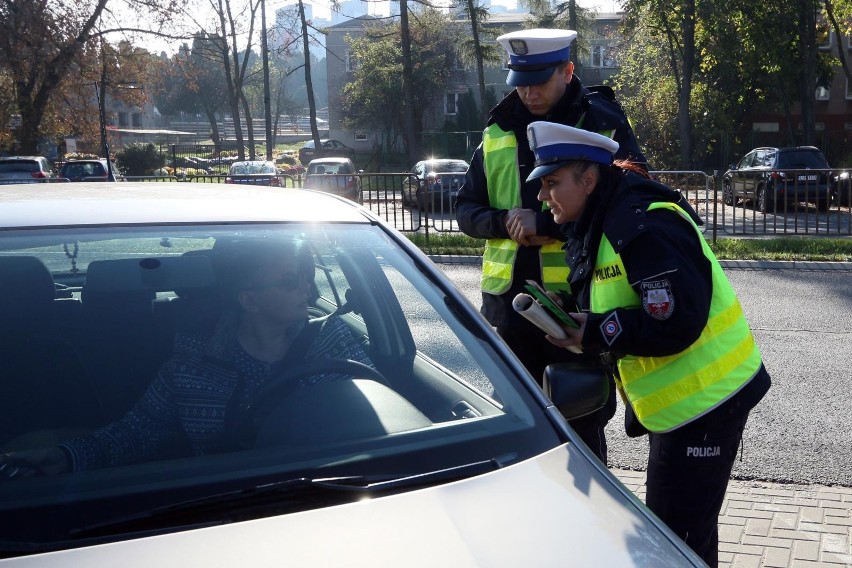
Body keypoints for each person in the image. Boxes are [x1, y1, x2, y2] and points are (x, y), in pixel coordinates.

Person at [524, 120, 772, 567]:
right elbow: (624, 301)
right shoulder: (605, 218)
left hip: (707, 404)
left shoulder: (642, 224)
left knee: (674, 546)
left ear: (589, 179)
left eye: (551, 182)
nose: (542, 196)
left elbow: (676, 321)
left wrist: (596, 332)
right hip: (685, 407)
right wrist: (587, 324)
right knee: (686, 540)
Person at [0, 238, 375, 477]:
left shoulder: (332, 340)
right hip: (209, 512)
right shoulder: (192, 363)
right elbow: (138, 430)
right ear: (249, 300)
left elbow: (374, 421)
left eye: (306, 276)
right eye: (290, 281)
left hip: (326, 497)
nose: (307, 287)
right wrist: (68, 457)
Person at [454, 28, 646, 462]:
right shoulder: (498, 127)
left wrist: (546, 223)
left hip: (578, 303)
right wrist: (504, 222)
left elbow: (632, 200)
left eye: (539, 80)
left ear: (568, 71)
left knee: (582, 423)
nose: (528, 91)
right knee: (522, 423)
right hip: (512, 307)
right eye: (519, 81)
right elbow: (466, 209)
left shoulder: (601, 121)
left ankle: (591, 508)